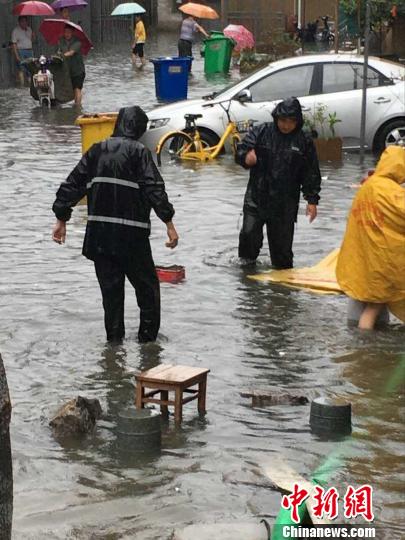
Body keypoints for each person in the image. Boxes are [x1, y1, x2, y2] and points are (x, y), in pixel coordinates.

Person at [52, 106, 179, 344]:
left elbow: (72, 185)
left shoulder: (95, 150)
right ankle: (148, 345)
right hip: (132, 239)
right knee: (147, 291)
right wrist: (169, 222)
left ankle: (114, 347)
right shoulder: (139, 152)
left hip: (100, 240)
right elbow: (154, 189)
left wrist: (61, 219)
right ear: (139, 129)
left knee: (111, 297)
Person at [235, 97, 321, 268]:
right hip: (256, 198)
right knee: (248, 238)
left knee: (282, 253)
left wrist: (312, 201)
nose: (286, 125)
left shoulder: (304, 141)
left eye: (291, 121)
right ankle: (246, 280)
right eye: (282, 120)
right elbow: (241, 151)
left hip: (285, 204)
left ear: (298, 121)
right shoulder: (262, 132)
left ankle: (282, 290)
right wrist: (246, 158)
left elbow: (310, 172)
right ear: (276, 118)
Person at [336, 145, 405, 330]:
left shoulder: (368, 185)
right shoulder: (391, 191)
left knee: (366, 302)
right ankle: (365, 346)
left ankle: (362, 346)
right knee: (374, 307)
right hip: (381, 261)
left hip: (362, 258)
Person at [57, 25, 85, 105]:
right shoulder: (61, 41)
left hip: (78, 71)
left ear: (72, 33)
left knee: (77, 89)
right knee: (72, 90)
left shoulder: (77, 42)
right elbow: (58, 51)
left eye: (69, 32)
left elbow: (71, 52)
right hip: (67, 71)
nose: (67, 34)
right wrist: (58, 53)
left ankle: (78, 107)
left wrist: (62, 55)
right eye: (65, 32)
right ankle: (76, 105)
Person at [11, 16, 34, 86]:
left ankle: (30, 85)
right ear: (19, 22)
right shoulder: (15, 31)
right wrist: (17, 55)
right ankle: (22, 85)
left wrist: (33, 36)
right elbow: (14, 44)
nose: (24, 23)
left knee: (30, 68)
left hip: (29, 50)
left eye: (25, 21)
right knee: (21, 68)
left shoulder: (29, 29)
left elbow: (31, 40)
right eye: (22, 21)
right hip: (21, 51)